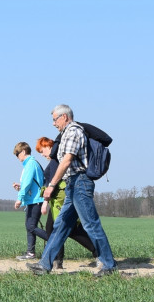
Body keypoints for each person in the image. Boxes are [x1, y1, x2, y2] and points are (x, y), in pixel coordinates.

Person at [27, 105, 117, 277]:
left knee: (91, 224)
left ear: (65, 117)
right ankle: (44, 264)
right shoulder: (64, 134)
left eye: (55, 119)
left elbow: (67, 160)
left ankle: (109, 265)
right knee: (60, 225)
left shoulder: (73, 132)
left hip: (80, 182)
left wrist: (52, 185)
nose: (53, 123)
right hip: (72, 184)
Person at [35, 136, 98, 269]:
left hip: (60, 200)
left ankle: (98, 251)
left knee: (72, 230)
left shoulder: (55, 161)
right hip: (57, 201)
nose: (42, 154)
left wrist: (45, 201)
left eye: (42, 150)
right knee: (52, 229)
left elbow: (53, 182)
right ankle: (56, 261)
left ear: (48, 146)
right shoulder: (55, 160)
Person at [12, 141, 47, 260]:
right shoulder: (30, 164)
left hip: (35, 200)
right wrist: (20, 187)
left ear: (23, 151)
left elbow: (27, 184)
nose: (17, 157)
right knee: (29, 226)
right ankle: (30, 252)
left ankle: (53, 241)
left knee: (31, 226)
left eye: (17, 154)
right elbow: (29, 184)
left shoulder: (30, 164)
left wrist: (19, 199)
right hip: (33, 200)